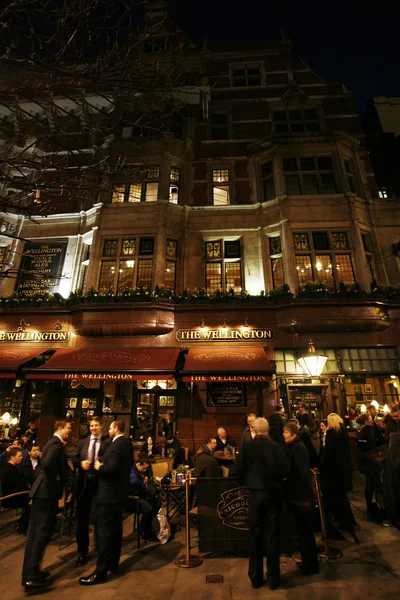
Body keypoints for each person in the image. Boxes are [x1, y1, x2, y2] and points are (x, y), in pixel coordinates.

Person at [234, 417, 289, 590]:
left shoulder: (247, 447)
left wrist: (243, 484)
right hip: (272, 495)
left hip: (254, 495)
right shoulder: (276, 447)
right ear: (267, 430)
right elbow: (285, 469)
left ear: (255, 430)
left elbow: (237, 470)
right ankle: (273, 578)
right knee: (272, 536)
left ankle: (255, 578)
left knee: (254, 535)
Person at [79, 420, 133, 587]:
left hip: (108, 495)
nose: (108, 430)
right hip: (118, 494)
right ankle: (112, 564)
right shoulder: (126, 443)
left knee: (104, 533)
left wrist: (99, 467)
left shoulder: (118, 445)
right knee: (115, 531)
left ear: (116, 428)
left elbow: (112, 468)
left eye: (110, 427)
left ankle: (100, 571)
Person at [21, 419, 71, 593]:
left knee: (35, 533)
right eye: (68, 428)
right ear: (60, 428)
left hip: (40, 493)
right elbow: (48, 464)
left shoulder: (52, 442)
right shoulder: (56, 445)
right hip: (46, 493)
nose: (70, 432)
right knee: (41, 533)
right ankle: (31, 577)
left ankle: (30, 571)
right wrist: (56, 479)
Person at [72, 417, 111, 567]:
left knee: (99, 518)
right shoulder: (83, 442)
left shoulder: (107, 443)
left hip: (99, 483)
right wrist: (80, 464)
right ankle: (82, 551)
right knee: (82, 520)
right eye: (91, 425)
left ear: (101, 426)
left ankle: (101, 549)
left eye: (96, 425)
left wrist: (101, 465)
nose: (93, 428)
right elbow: (74, 458)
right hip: (84, 484)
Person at [283, 423, 319, 576]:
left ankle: (310, 565)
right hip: (299, 496)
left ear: (293, 433)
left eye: (285, 432)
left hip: (301, 497)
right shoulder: (294, 446)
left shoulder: (298, 448)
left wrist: (287, 478)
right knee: (303, 532)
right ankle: (307, 561)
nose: (283, 435)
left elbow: (301, 473)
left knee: (306, 533)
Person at [322, 413, 357, 539]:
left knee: (337, 496)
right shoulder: (344, 432)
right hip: (345, 468)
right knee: (343, 495)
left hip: (334, 470)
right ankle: (349, 520)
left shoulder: (331, 433)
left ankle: (343, 521)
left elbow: (329, 453)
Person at [129, 458, 161, 542]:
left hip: (140, 494)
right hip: (131, 498)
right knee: (148, 508)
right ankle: (145, 531)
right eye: (144, 468)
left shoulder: (139, 470)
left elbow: (148, 473)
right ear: (138, 464)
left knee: (157, 503)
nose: (145, 470)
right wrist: (144, 482)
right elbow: (139, 486)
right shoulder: (133, 475)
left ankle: (146, 526)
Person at [0, 447, 30, 534]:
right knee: (33, 502)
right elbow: (18, 486)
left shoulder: (5, 467)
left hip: (8, 496)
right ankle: (22, 525)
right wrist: (27, 487)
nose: (22, 458)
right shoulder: (11, 470)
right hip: (10, 498)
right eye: (19, 456)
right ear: (12, 457)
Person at [356, 413, 378, 518]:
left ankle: (370, 507)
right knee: (373, 483)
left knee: (370, 483)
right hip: (371, 459)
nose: (372, 420)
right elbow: (370, 445)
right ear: (366, 421)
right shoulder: (368, 431)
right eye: (370, 419)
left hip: (366, 459)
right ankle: (373, 508)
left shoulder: (360, 431)